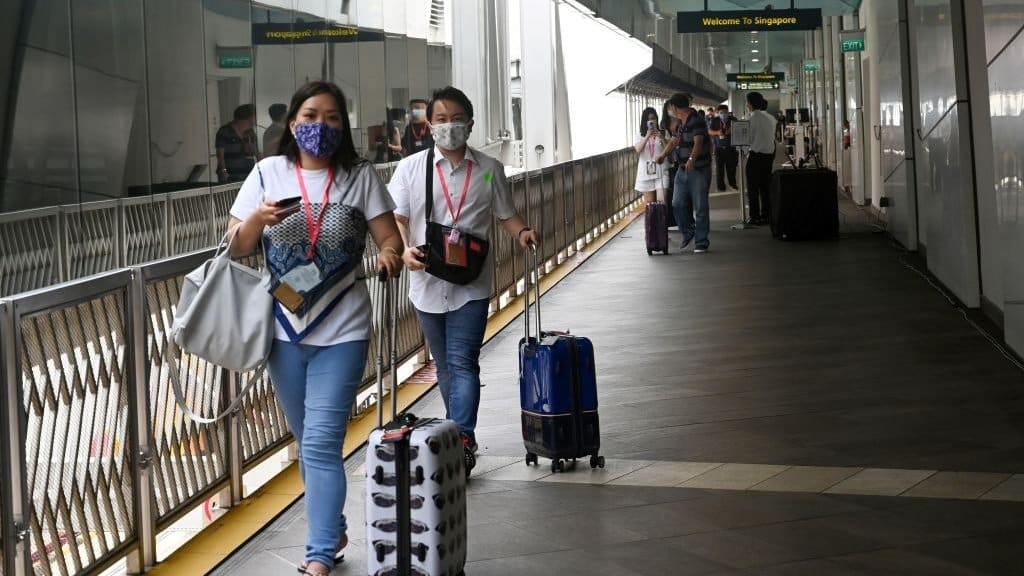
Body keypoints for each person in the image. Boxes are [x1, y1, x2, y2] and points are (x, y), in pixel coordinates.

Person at [226, 81, 404, 576]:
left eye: (331, 117)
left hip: (343, 328)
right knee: (308, 442)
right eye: (310, 115)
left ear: (343, 125)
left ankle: (320, 552)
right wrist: (258, 220)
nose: (319, 126)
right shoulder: (267, 172)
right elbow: (237, 246)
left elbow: (388, 238)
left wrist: (389, 256)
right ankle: (333, 528)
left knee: (322, 443)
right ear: (292, 123)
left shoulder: (359, 178)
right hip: (282, 330)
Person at [388, 86, 538, 477]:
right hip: (426, 280)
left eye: (456, 118)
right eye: (441, 119)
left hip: (471, 280)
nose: (449, 126)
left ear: (470, 123)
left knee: (462, 360)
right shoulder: (410, 168)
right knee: (444, 365)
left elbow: (505, 213)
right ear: (428, 125)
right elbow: (398, 219)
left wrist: (522, 232)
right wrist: (404, 251)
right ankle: (456, 435)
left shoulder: (488, 167)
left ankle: (463, 438)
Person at [661, 93, 712, 253]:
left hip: (698, 170)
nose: (670, 111)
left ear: (675, 107)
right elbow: (674, 141)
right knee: (677, 203)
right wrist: (662, 155)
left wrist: (691, 159)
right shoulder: (681, 124)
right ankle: (689, 231)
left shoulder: (696, 120)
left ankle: (701, 241)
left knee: (700, 207)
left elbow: (698, 142)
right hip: (682, 170)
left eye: (670, 108)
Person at [744, 91, 778, 226]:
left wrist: (745, 152)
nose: (747, 105)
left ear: (750, 103)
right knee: (765, 187)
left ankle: (755, 216)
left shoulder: (751, 119)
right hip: (768, 156)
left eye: (747, 102)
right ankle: (767, 215)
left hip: (755, 156)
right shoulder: (770, 118)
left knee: (752, 188)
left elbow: (748, 139)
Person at [216, 104, 259, 182]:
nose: (257, 119)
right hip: (231, 178)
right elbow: (220, 155)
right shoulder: (225, 131)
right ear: (248, 117)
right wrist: (223, 171)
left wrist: (253, 150)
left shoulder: (251, 132)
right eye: (255, 116)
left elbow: (255, 153)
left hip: (248, 177)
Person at [633, 107, 667, 204]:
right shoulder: (640, 134)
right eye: (648, 119)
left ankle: (662, 219)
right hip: (645, 171)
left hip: (661, 170)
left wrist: (661, 138)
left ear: (657, 119)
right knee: (650, 205)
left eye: (653, 118)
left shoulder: (663, 133)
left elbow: (668, 150)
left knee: (662, 203)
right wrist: (647, 136)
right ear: (645, 121)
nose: (651, 121)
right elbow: (638, 150)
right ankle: (653, 220)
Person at [708, 104, 738, 191]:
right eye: (721, 113)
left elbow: (740, 129)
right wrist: (717, 132)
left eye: (725, 112)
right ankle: (721, 187)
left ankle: (733, 184)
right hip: (719, 148)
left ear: (728, 112)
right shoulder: (715, 120)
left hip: (731, 148)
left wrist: (732, 130)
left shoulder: (733, 119)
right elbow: (709, 131)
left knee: (731, 168)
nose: (723, 114)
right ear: (718, 113)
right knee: (719, 169)